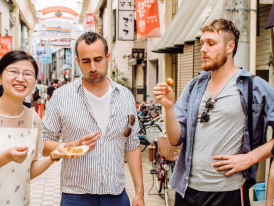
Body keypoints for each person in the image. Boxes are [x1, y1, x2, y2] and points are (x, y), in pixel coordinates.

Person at [153, 19, 274, 206]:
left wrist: (250, 158)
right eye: (202, 43)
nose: (203, 49)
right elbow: (176, 139)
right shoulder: (194, 86)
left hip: (229, 192)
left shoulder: (253, 86)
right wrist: (168, 107)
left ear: (230, 46)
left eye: (211, 43)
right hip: (187, 190)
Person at [42, 32, 145, 206]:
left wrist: (139, 193)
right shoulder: (61, 97)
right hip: (75, 195)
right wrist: (73, 146)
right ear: (77, 62)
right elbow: (45, 146)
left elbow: (132, 145)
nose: (92, 68)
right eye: (86, 61)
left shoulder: (125, 96)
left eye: (98, 59)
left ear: (108, 57)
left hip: (116, 194)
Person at [0, 50, 65, 205]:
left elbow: (29, 170)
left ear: (35, 81)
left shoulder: (34, 119)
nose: (20, 78)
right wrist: (6, 157)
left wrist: (55, 156)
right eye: (13, 71)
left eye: (28, 74)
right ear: (0, 77)